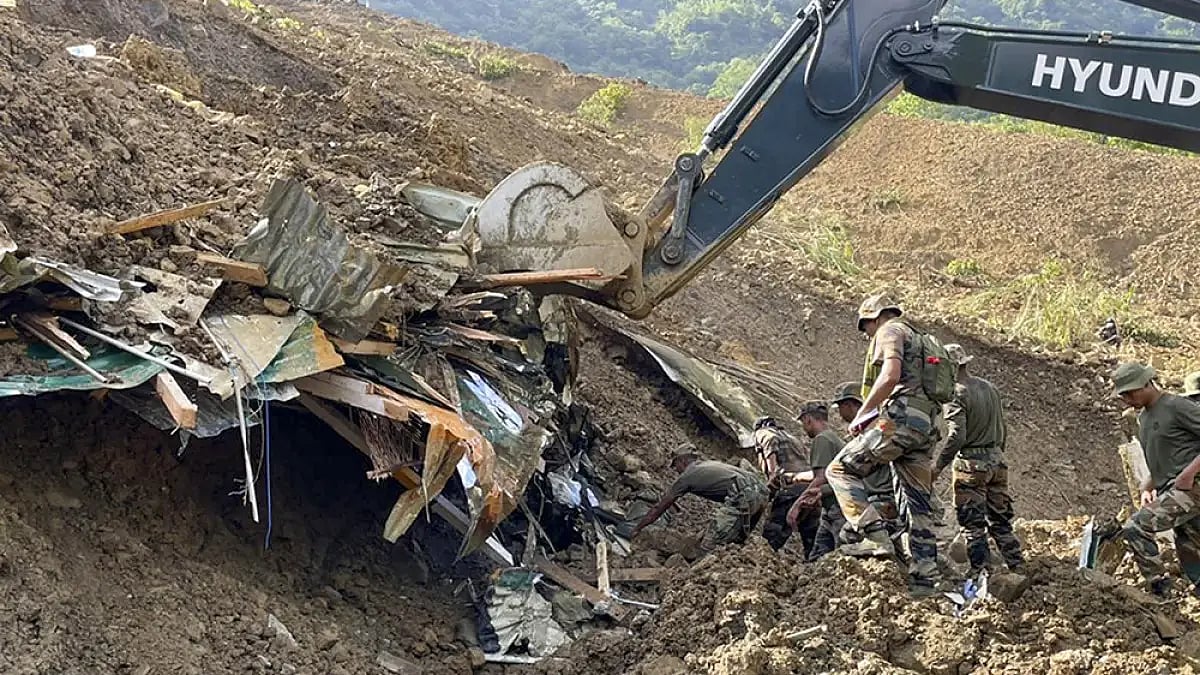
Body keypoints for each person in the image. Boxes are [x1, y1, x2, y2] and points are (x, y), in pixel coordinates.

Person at [826, 293, 943, 597]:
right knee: (918, 505)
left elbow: (890, 376)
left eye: (865, 326)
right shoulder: (920, 337)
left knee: (839, 470)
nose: (867, 333)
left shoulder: (890, 330)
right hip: (926, 426)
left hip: (899, 421)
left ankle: (875, 535)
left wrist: (863, 413)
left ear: (875, 317)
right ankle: (925, 582)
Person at [932, 344, 1024, 575]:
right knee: (1000, 520)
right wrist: (997, 453)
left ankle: (981, 573)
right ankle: (1017, 565)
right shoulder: (989, 388)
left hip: (971, 465)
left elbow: (957, 435)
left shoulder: (954, 394)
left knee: (972, 524)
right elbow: (1003, 427)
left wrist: (938, 465)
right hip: (997, 461)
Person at [1112, 362, 1200, 596]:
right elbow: (1165, 454)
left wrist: (1188, 474)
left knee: (1136, 526)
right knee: (1189, 550)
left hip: (1191, 489)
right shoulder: (1144, 419)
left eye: (1130, 392)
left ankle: (1160, 587)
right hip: (1172, 489)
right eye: (1123, 395)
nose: (1127, 399)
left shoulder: (1176, 405)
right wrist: (1148, 484)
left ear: (1145, 384)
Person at [631, 451, 769, 554]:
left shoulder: (687, 476)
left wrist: (637, 528)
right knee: (737, 540)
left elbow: (659, 508)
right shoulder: (707, 464)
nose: (675, 470)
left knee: (709, 545)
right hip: (761, 490)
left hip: (743, 495)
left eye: (675, 465)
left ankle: (695, 581)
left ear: (683, 460)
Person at [831, 382, 902, 544]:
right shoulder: (876, 431)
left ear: (849, 405)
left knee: (848, 536)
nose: (840, 414)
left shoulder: (875, 434)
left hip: (884, 501)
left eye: (841, 408)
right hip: (891, 501)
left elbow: (841, 471)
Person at [786, 402, 847, 560]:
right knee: (818, 556)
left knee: (845, 556)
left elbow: (821, 477)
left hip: (838, 508)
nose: (804, 428)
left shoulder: (822, 440)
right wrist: (795, 477)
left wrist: (797, 505)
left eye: (803, 423)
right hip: (832, 508)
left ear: (807, 419)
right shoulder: (833, 439)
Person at [753, 417, 820, 554]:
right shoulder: (792, 438)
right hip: (809, 486)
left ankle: (762, 564)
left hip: (790, 486)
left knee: (772, 536)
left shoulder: (764, 432)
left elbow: (770, 441)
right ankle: (816, 564)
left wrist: (772, 475)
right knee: (811, 533)